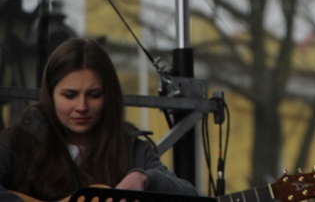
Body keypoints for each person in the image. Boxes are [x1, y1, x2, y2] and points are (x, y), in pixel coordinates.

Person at [0, 38, 200, 201]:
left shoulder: (132, 148)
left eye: (94, 94)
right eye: (70, 95)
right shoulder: (18, 142)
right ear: (50, 95)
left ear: (109, 96)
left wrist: (145, 178)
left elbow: (189, 194)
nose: (82, 107)